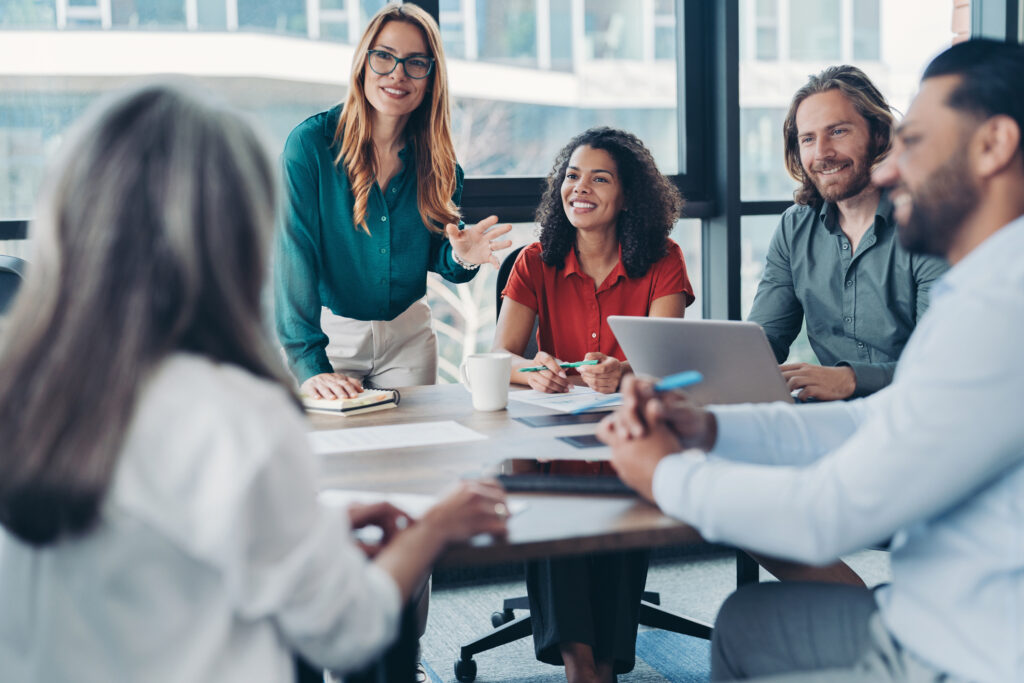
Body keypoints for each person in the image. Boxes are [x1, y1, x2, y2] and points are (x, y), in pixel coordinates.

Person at [0, 82, 509, 683]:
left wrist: (306, 528)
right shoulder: (232, 415)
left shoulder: (26, 393)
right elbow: (344, 629)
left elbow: (157, 550)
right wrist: (435, 529)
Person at [601, 39, 1024, 683]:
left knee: (751, 618)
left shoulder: (1003, 306)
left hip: (972, 646)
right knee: (749, 620)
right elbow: (871, 419)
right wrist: (709, 429)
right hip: (944, 597)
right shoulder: (988, 279)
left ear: (993, 146)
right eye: (806, 137)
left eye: (914, 144)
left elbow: (828, 513)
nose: (889, 171)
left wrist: (663, 475)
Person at [493, 127, 694, 683]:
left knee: (629, 477)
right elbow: (502, 355)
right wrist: (536, 370)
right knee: (554, 487)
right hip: (553, 437)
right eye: (572, 176)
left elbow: (667, 357)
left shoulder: (663, 260)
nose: (579, 188)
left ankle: (602, 661)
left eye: (598, 179)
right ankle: (582, 665)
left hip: (628, 431)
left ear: (628, 196)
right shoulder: (535, 261)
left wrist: (626, 370)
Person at [275, 2, 511, 400]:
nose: (397, 74)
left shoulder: (440, 164)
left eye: (416, 62)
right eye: (384, 57)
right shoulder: (310, 146)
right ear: (363, 63)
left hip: (409, 340)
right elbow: (293, 257)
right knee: (338, 457)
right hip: (331, 340)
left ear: (431, 76)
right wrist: (309, 364)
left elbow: (439, 255)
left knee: (413, 456)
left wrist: (463, 256)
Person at [748, 65, 947, 402]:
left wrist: (851, 380)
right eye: (808, 139)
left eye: (838, 132)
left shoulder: (927, 223)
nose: (822, 152)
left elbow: (943, 361)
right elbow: (763, 343)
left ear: (879, 134)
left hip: (918, 412)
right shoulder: (794, 228)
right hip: (832, 416)